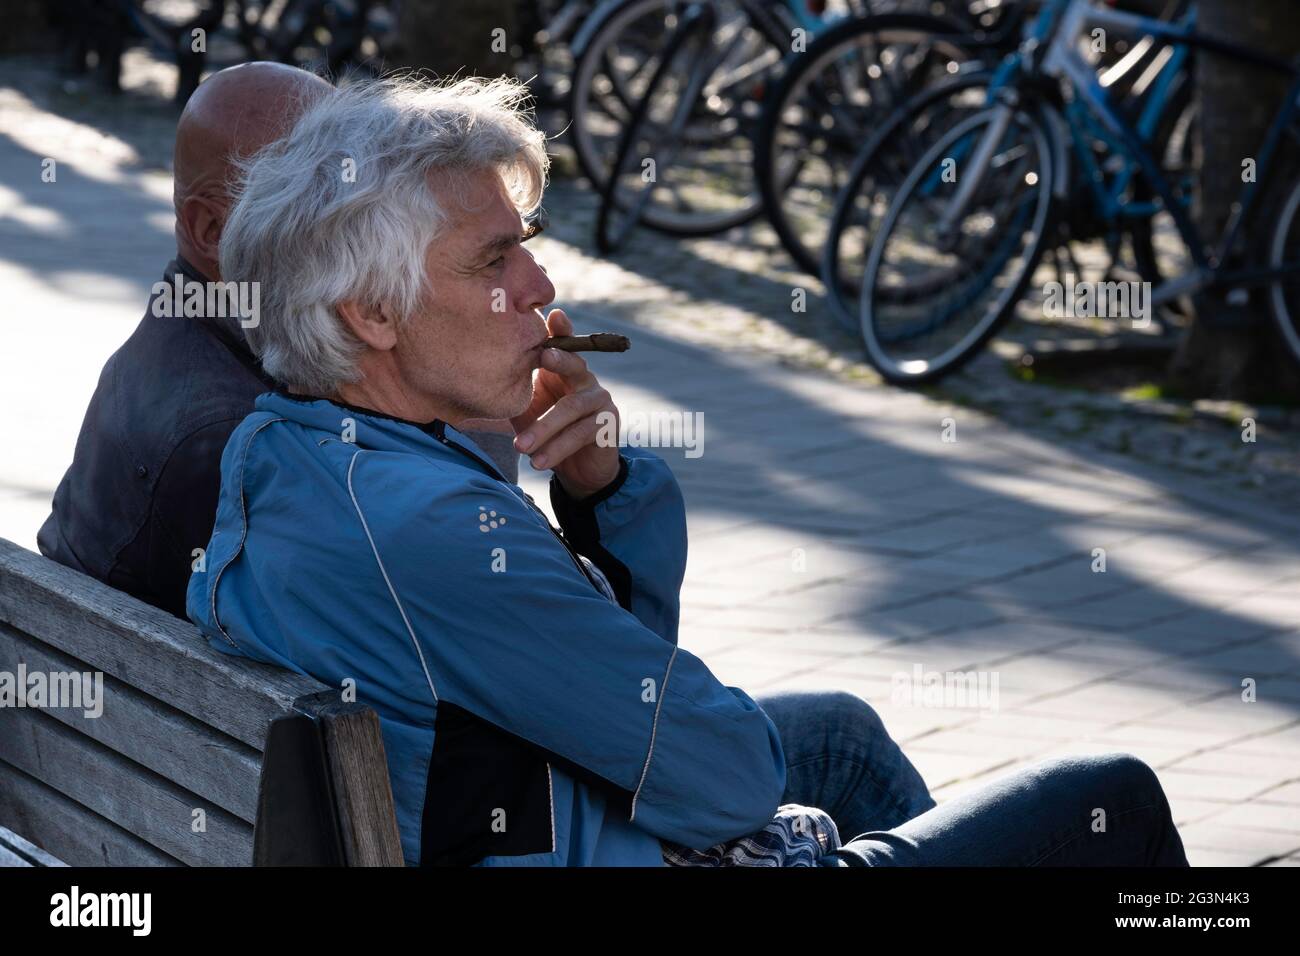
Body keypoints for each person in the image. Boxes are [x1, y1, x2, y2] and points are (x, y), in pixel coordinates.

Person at [188, 73, 1188, 867]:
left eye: (526, 250)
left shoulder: (288, 453)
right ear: (372, 312)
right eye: (493, 264)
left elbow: (625, 702)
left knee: (835, 732)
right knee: (1110, 792)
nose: (541, 286)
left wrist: (600, 494)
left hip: (523, 821)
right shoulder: (433, 529)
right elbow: (726, 780)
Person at [36, 62, 525, 619]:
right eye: (306, 182)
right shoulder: (237, 436)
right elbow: (457, 615)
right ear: (212, 231)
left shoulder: (197, 335)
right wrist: (480, 429)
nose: (358, 203)